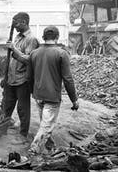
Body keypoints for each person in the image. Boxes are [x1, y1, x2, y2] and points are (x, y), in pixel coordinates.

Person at [26, 26, 79, 158]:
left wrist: (33, 92)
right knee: (46, 126)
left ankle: (51, 148)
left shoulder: (34, 53)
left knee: (45, 124)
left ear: (43, 37)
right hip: (52, 97)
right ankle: (34, 150)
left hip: (38, 95)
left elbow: (29, 77)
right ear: (57, 37)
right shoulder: (61, 54)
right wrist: (74, 99)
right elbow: (67, 79)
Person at [0, 12, 40, 141]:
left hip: (23, 80)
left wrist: (14, 49)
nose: (14, 26)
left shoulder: (31, 39)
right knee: (6, 107)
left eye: (16, 23)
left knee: (22, 110)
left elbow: (29, 60)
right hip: (11, 79)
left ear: (24, 22)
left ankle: (23, 135)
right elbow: (11, 60)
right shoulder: (17, 37)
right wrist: (5, 77)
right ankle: (1, 134)